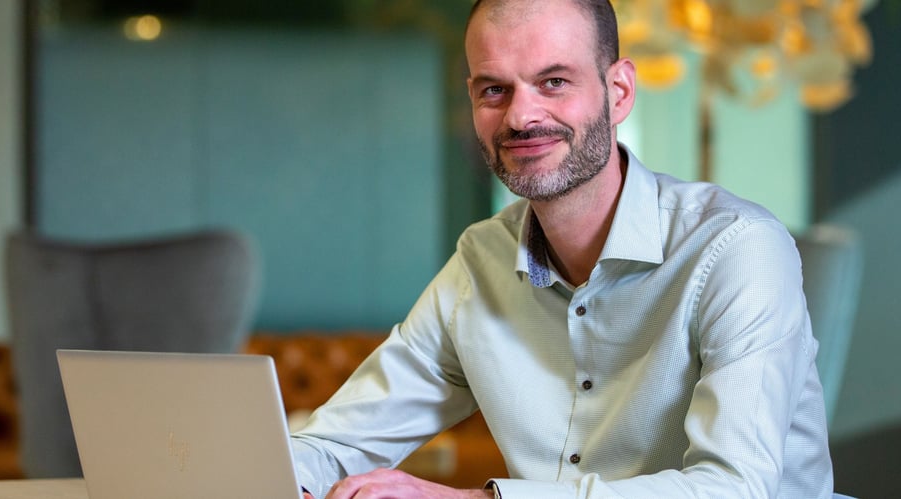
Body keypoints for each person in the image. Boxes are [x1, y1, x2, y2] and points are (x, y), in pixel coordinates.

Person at [292, 0, 833, 497]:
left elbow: (733, 489)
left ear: (618, 92)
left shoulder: (736, 249)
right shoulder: (482, 260)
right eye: (493, 90)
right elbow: (334, 444)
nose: (521, 117)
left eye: (553, 81)